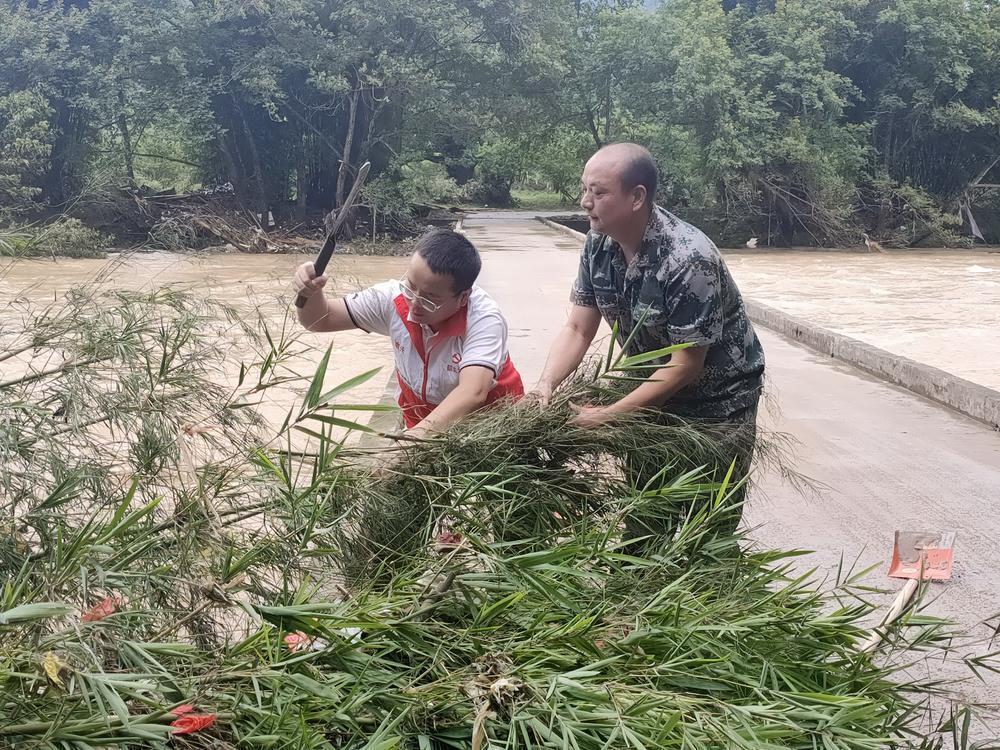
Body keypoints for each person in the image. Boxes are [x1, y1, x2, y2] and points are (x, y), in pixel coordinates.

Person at [535, 142, 765, 535]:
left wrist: (608, 415)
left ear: (637, 197)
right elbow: (578, 327)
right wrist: (545, 384)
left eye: (599, 192)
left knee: (707, 527)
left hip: (717, 405)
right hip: (649, 395)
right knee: (644, 517)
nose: (585, 202)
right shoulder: (597, 246)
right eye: (584, 189)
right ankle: (637, 586)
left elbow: (685, 366)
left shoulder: (688, 259)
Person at [293, 228, 524, 436]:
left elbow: (473, 391)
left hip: (488, 431)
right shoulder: (391, 298)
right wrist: (309, 293)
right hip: (421, 426)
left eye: (431, 299)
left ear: (463, 297)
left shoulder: (484, 319)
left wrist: (411, 442)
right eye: (411, 286)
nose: (414, 304)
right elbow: (320, 321)